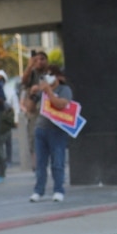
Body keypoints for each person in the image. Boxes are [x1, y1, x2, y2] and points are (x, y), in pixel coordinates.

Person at [26, 64, 72, 203]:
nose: (47, 78)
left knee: (57, 162)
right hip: (41, 129)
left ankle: (58, 190)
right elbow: (30, 109)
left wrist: (49, 92)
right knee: (40, 163)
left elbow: (61, 104)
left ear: (57, 77)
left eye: (50, 75)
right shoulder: (42, 92)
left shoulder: (65, 89)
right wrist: (32, 94)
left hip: (57, 130)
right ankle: (38, 191)